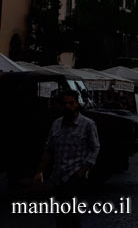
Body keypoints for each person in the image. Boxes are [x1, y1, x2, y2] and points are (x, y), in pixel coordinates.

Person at [35, 90, 100, 228]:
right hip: (58, 176)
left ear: (77, 104)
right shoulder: (56, 124)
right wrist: (40, 171)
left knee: (71, 214)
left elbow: (95, 148)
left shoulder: (87, 124)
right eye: (65, 103)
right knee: (60, 215)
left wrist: (82, 170)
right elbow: (49, 149)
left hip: (74, 176)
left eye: (71, 103)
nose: (68, 106)